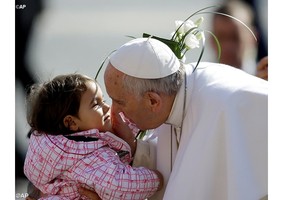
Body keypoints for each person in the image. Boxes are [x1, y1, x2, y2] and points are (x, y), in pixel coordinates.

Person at [81, 37, 267, 200]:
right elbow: (178, 163)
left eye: (120, 102)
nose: (114, 111)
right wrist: (134, 147)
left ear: (153, 101)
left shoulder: (224, 109)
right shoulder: (180, 89)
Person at [23, 73, 163, 199]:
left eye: (104, 100)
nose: (107, 108)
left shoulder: (58, 148)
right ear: (71, 122)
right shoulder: (87, 156)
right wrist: (156, 179)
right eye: (96, 104)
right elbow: (118, 184)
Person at [210, 0, 264, 77]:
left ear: (253, 37)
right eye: (220, 37)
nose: (227, 46)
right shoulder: (197, 84)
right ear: (211, 40)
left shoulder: (266, 80)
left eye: (235, 37)